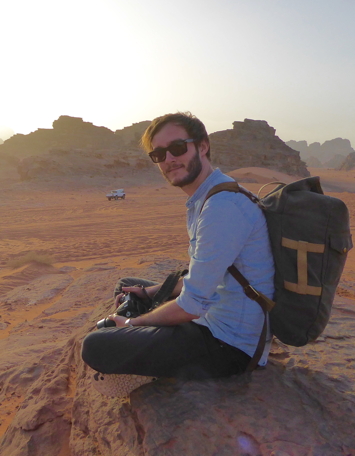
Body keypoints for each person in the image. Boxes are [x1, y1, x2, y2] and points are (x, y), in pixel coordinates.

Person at [81, 111, 275, 395]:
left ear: (203, 146)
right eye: (159, 154)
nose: (169, 159)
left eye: (177, 148)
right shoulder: (207, 197)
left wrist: (133, 324)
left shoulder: (222, 207)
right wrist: (148, 294)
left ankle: (142, 368)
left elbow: (191, 305)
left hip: (229, 345)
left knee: (96, 346)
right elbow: (201, 278)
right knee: (128, 285)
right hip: (211, 316)